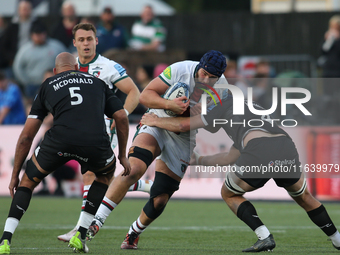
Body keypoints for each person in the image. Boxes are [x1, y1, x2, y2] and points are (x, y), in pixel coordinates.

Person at [140, 88, 340, 252]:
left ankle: (264, 236)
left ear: (215, 101)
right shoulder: (252, 109)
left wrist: (155, 121)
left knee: (229, 193)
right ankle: (337, 239)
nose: (202, 108)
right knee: (304, 197)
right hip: (285, 146)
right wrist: (199, 159)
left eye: (205, 103)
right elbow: (230, 157)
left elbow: (184, 125)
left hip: (260, 150)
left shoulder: (222, 106)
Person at [82, 50, 227, 252]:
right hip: (156, 121)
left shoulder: (222, 91)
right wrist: (168, 104)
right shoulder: (180, 69)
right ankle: (96, 221)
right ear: (199, 65)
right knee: (133, 169)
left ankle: (134, 232)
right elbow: (146, 95)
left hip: (182, 136)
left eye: (213, 77)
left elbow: (188, 126)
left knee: (159, 200)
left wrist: (165, 119)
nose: (206, 79)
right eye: (204, 73)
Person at [0, 52, 131, 254]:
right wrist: (122, 155)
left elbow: (27, 135)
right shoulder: (97, 83)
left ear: (55, 71)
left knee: (28, 182)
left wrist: (16, 174)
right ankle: (81, 233)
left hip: (59, 142)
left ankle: (5, 240)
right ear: (77, 68)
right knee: (105, 175)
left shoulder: (48, 84)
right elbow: (121, 117)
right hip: (94, 143)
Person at [56, 23, 152, 243]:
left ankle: (80, 229)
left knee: (92, 174)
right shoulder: (69, 66)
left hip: (103, 129)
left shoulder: (108, 67)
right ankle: (136, 184)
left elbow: (134, 92)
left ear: (96, 41)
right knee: (93, 176)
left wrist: (122, 114)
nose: (86, 43)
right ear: (75, 43)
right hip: (76, 129)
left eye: (90, 39)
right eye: (81, 40)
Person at [12, 21, 66, 103]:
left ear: (45, 34)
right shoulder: (25, 50)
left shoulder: (56, 46)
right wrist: (25, 81)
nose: (39, 37)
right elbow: (17, 67)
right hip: (33, 84)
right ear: (32, 35)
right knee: (34, 108)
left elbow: (67, 60)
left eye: (41, 34)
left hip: (54, 84)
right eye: (36, 34)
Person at [1, 1, 36, 73]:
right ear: (18, 10)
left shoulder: (37, 24)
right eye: (23, 9)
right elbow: (4, 45)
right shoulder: (12, 26)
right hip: (13, 60)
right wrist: (11, 58)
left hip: (32, 60)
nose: (25, 11)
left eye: (27, 8)